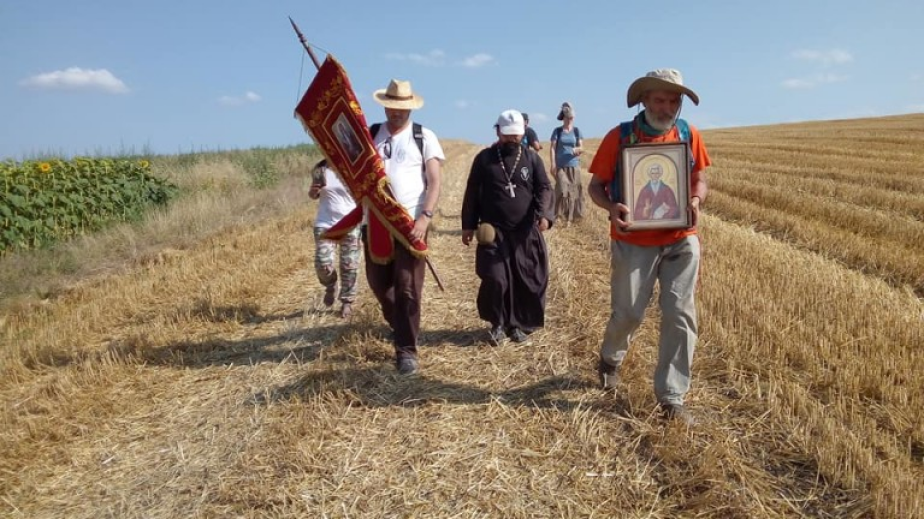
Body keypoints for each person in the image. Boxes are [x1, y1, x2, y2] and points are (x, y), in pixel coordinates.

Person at [587, 69, 711, 425]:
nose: (667, 107)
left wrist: (696, 201)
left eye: (674, 101)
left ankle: (672, 397)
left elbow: (700, 179)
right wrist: (612, 208)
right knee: (628, 313)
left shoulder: (687, 134)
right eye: (660, 100)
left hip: (680, 239)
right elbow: (596, 186)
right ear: (644, 100)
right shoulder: (620, 137)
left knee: (679, 313)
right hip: (633, 241)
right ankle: (610, 358)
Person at [367, 78, 445, 375]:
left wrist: (425, 217)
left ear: (410, 108)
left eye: (401, 108)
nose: (396, 112)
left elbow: (435, 182)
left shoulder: (424, 137)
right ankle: (400, 325)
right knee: (380, 285)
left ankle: (406, 350)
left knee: (407, 287)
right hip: (375, 222)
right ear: (385, 106)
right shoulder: (370, 134)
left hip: (411, 224)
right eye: (391, 107)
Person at [461, 110, 554, 344]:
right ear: (498, 132)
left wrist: (544, 213)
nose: (512, 138)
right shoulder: (484, 159)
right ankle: (498, 323)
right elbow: (472, 192)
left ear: (523, 133)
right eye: (507, 134)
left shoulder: (532, 159)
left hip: (524, 232)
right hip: (494, 232)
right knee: (496, 279)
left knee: (525, 279)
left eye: (516, 134)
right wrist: (468, 225)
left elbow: (544, 187)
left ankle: (518, 324)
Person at [308, 159, 361, 318]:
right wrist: (313, 192)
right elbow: (313, 195)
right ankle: (330, 285)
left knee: (349, 265)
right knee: (322, 263)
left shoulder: (354, 168)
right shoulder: (320, 169)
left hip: (350, 222)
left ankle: (347, 301)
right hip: (325, 223)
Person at [549, 102, 585, 225]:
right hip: (560, 166)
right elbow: (552, 148)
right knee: (562, 188)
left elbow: (582, 147)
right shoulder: (557, 131)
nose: (570, 120)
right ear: (563, 118)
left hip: (574, 165)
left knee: (574, 191)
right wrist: (553, 164)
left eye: (572, 118)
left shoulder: (577, 131)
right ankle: (558, 216)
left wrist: (578, 149)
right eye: (568, 118)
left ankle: (572, 218)